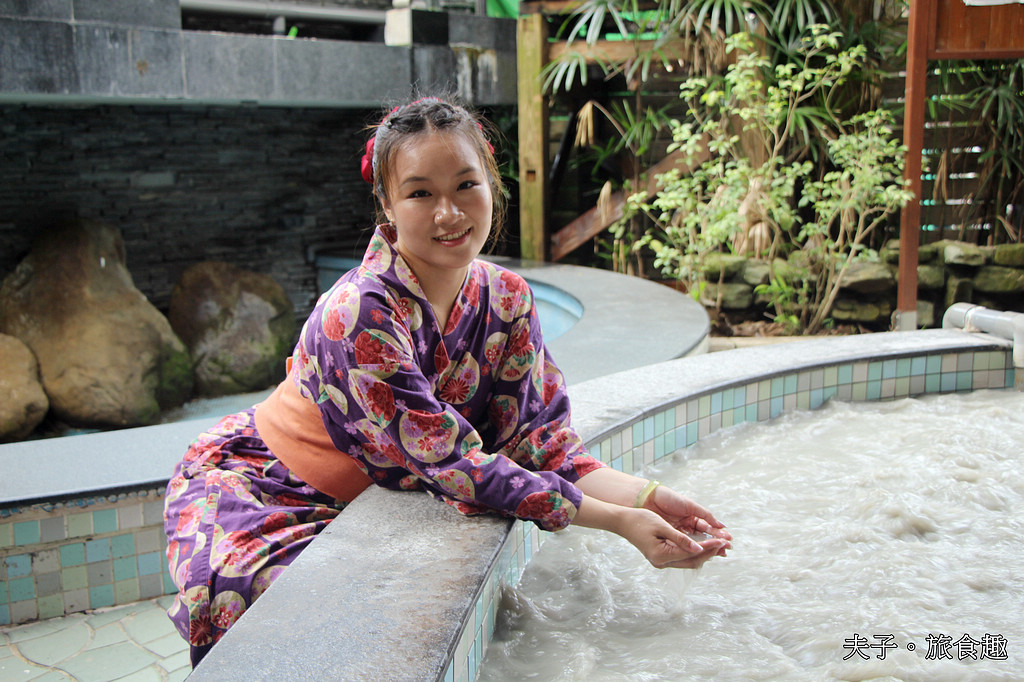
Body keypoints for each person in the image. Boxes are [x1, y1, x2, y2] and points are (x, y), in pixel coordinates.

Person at [163, 96, 731, 666]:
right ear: (386, 203)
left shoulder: (507, 298)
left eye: (465, 185)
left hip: (365, 504)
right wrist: (618, 522)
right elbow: (451, 463)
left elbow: (540, 442)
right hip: (267, 491)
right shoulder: (360, 313)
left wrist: (650, 499)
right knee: (314, 648)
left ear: (491, 185)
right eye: (420, 193)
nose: (449, 213)